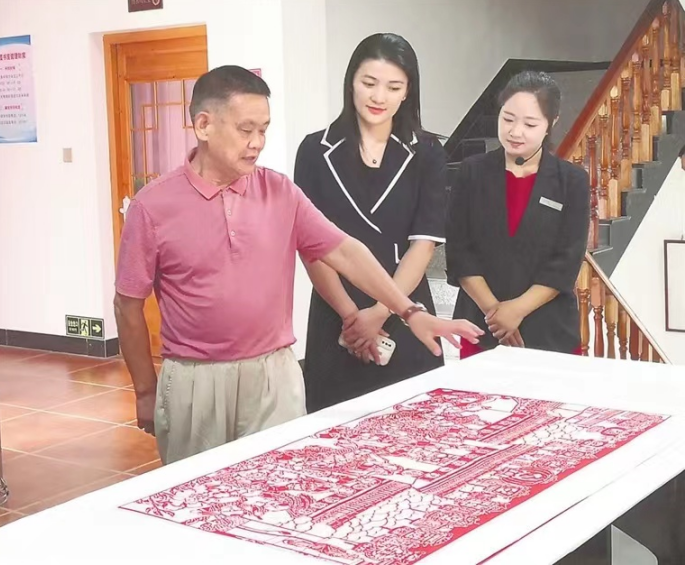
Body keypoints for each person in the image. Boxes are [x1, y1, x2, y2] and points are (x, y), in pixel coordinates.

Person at [114, 65, 483, 465]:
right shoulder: (153, 206)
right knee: (199, 492)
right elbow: (127, 305)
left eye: (264, 129)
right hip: (195, 378)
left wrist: (409, 311)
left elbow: (345, 252)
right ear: (203, 125)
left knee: (281, 484)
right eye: (245, 129)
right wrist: (145, 390)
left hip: (274, 374)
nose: (257, 143)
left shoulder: (279, 192)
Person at [294, 33, 460, 413]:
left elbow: (424, 244)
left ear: (407, 92)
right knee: (334, 431)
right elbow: (311, 248)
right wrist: (352, 318)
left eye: (393, 87)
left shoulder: (427, 152)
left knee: (415, 426)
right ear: (351, 81)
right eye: (369, 83)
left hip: (405, 310)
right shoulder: (314, 151)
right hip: (337, 315)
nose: (379, 97)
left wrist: (383, 310)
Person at [445, 71, 590, 358]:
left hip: (550, 330)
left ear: (551, 123)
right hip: (481, 326)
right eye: (508, 119)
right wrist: (497, 315)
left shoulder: (571, 181)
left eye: (530, 124)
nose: (515, 131)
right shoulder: (471, 172)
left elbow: (566, 261)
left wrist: (516, 310)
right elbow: (460, 253)